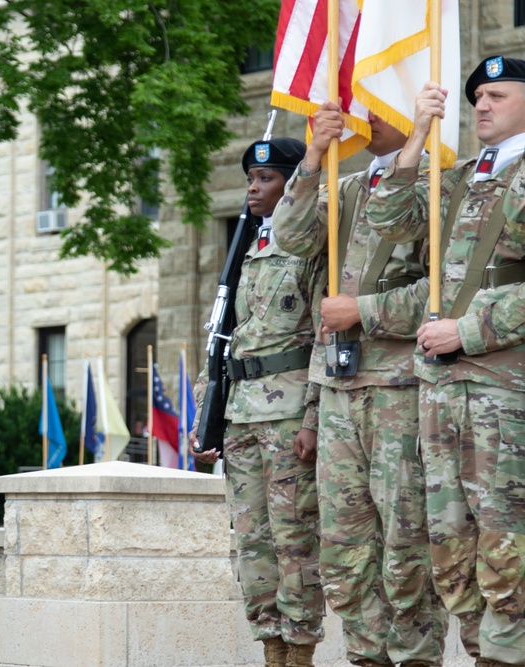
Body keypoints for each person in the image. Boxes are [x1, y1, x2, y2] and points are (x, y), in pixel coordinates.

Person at [273, 104, 450, 667]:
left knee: (406, 541)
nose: (367, 112)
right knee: (344, 548)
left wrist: (364, 311)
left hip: (399, 386)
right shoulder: (343, 187)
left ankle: (417, 658)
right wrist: (314, 157)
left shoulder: (440, 185)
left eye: (383, 100)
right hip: (338, 386)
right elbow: (292, 237)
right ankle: (365, 657)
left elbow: (447, 294)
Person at [365, 54, 525, 667]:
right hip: (440, 391)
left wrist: (469, 328)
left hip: (501, 389)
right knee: (450, 551)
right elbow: (389, 221)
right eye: (476, 96)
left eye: (499, 95)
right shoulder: (462, 179)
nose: (482, 105)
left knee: (506, 545)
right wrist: (415, 140)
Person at [190, 137, 325, 667]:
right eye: (250, 177)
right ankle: (271, 649)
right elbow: (222, 339)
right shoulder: (245, 246)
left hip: (288, 413)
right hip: (242, 415)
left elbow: (323, 339)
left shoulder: (312, 244)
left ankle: (299, 654)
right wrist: (208, 417)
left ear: (294, 182)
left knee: (295, 541)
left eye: (266, 178)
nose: (252, 187)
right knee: (251, 544)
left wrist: (314, 416)